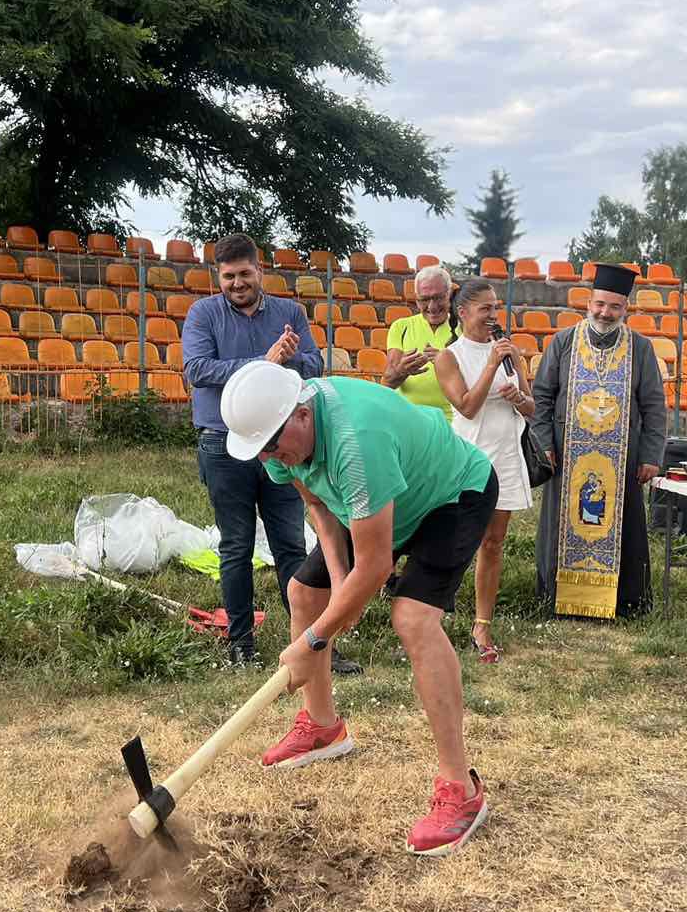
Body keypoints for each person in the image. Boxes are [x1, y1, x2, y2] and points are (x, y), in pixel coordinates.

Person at [220, 361, 499, 856]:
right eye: (263, 451)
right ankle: (324, 728)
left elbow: (375, 566)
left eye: (274, 446)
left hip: (451, 493)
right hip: (379, 503)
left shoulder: (354, 442)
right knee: (305, 593)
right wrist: (336, 594)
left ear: (302, 414)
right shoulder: (275, 440)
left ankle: (461, 790)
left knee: (412, 617)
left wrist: (313, 642)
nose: (271, 459)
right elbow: (322, 512)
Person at [181, 234, 356, 674]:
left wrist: (289, 360)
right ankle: (241, 643)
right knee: (236, 546)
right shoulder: (203, 314)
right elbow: (197, 370)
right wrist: (262, 361)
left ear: (260, 271)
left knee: (291, 544)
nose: (237, 282)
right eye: (228, 276)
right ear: (217, 277)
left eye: (245, 273)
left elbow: (315, 364)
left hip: (285, 444)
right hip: (223, 443)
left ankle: (314, 644)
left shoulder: (289, 313)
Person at [530, 264, 667, 619]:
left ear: (626, 309)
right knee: (562, 526)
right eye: (600, 304)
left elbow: (653, 406)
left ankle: (623, 603)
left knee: (624, 528)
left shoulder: (641, 348)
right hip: (566, 454)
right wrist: (543, 443)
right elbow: (542, 396)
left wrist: (652, 454)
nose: (605, 313)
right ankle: (557, 600)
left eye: (614, 307)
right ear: (588, 302)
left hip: (623, 457)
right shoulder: (563, 342)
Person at [432, 280, 535, 662]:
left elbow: (532, 408)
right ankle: (431, 616)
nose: (494, 316)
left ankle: (482, 625)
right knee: (454, 541)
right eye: (485, 309)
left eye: (496, 308)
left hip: (506, 455)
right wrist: (491, 366)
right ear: (463, 312)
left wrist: (519, 397)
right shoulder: (449, 357)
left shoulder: (511, 352)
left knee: (493, 543)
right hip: (469, 457)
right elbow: (467, 406)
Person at [382, 266, 456, 415]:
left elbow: (477, 382)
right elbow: (387, 383)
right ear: (416, 300)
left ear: (449, 295)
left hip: (453, 422)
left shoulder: (465, 329)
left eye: (438, 297)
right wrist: (401, 371)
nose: (432, 307)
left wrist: (446, 363)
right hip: (409, 419)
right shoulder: (401, 327)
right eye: (424, 300)